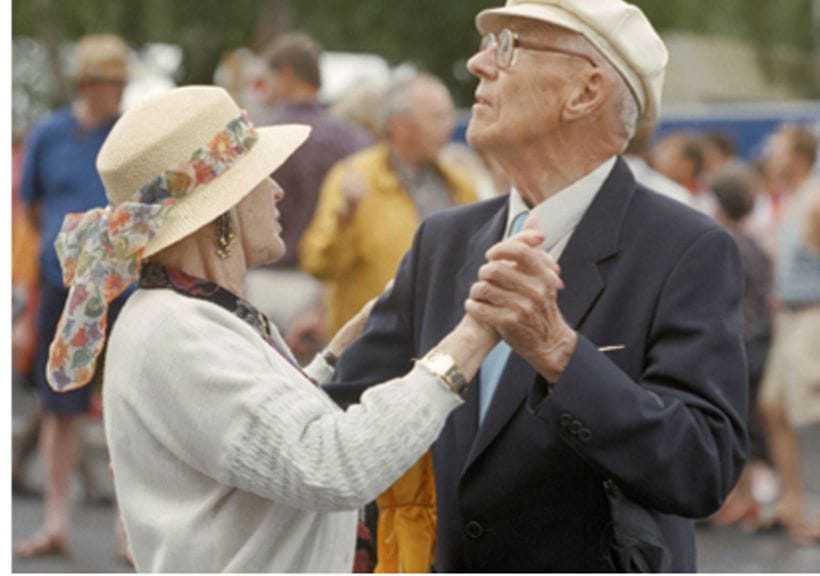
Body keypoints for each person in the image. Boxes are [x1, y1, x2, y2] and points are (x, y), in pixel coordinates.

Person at [46, 85, 549, 572]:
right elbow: (333, 465)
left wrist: (332, 357)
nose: (278, 189)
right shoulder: (177, 331)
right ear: (223, 211)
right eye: (262, 176)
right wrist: (475, 334)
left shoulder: (183, 315)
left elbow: (255, 439)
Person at [328, 0, 749, 571]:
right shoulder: (444, 240)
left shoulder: (686, 249)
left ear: (585, 92)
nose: (479, 63)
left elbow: (702, 469)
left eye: (509, 46)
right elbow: (337, 423)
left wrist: (560, 353)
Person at [300, 71, 478, 572]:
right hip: (378, 363)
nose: (451, 125)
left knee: (433, 502)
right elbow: (317, 261)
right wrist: (343, 219)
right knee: (377, 508)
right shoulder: (353, 177)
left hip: (444, 364)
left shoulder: (456, 178)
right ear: (399, 125)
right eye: (438, 115)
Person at [15, 34, 131, 559]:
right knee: (57, 405)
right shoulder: (50, 134)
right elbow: (34, 208)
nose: (120, 92)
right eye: (113, 82)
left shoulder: (127, 136)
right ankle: (58, 520)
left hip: (117, 289)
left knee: (124, 409)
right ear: (89, 83)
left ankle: (128, 532)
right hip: (62, 289)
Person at [245, 32, 373, 351]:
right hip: (323, 287)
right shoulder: (355, 140)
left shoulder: (256, 136)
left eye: (269, 80)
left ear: (286, 75)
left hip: (262, 279)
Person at [758, 124, 820, 544]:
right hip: (789, 317)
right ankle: (790, 503)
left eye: (777, 150)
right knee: (773, 407)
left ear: (799, 156)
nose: (769, 157)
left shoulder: (819, 199)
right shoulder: (793, 198)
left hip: (814, 316)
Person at [707, 165, 774, 532]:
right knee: (749, 423)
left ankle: (745, 499)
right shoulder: (753, 242)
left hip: (741, 346)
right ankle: (744, 497)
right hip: (760, 341)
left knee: (741, 424)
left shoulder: (723, 243)